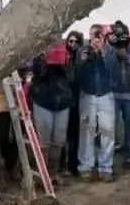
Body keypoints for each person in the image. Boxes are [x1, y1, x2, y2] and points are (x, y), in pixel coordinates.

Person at [76, 25, 116, 182]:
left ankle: (105, 168)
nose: (95, 38)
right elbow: (77, 74)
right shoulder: (83, 51)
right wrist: (85, 60)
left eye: (98, 35)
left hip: (106, 96)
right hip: (87, 96)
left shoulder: (109, 51)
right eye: (93, 35)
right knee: (86, 132)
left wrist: (103, 52)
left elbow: (112, 69)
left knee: (107, 132)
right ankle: (86, 166)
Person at [30, 41, 73, 181]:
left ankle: (53, 174)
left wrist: (65, 61)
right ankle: (42, 175)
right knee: (44, 140)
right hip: (43, 100)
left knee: (59, 140)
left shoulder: (66, 51)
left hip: (62, 102)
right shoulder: (38, 52)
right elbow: (35, 73)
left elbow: (72, 77)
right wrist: (44, 59)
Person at [109, 20, 130, 170]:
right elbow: (106, 66)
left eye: (121, 32)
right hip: (113, 93)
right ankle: (112, 153)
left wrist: (127, 57)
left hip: (129, 92)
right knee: (114, 126)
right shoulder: (109, 49)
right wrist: (113, 52)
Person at [64, 30, 84, 176]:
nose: (73, 44)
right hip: (65, 99)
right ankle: (61, 164)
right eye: (70, 41)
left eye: (76, 42)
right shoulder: (63, 56)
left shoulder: (80, 57)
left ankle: (73, 164)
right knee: (62, 134)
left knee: (74, 134)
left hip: (77, 100)